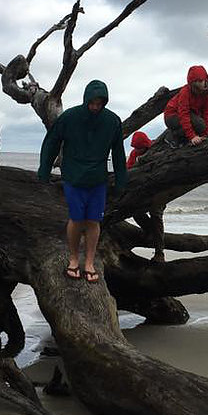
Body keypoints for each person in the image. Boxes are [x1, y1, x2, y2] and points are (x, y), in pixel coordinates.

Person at [38, 80, 127, 283]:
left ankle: (88, 262)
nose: (95, 106)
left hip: (97, 178)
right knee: (76, 219)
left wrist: (122, 179)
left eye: (99, 103)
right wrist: (44, 169)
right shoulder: (69, 117)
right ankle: (72, 258)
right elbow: (52, 141)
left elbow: (119, 152)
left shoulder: (112, 121)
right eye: (92, 102)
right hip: (73, 176)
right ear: (86, 99)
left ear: (104, 102)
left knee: (94, 221)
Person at [164, 65, 208, 147]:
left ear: (205, 80)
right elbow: (184, 114)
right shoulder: (185, 92)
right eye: (196, 82)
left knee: (201, 126)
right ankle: (172, 137)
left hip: (188, 114)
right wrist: (192, 136)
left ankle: (181, 139)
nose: (199, 84)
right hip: (171, 116)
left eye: (201, 81)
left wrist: (205, 134)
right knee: (199, 124)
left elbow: (207, 114)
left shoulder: (207, 94)